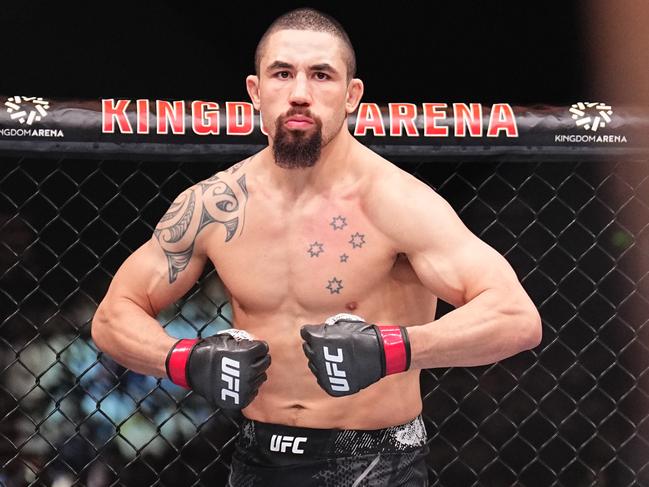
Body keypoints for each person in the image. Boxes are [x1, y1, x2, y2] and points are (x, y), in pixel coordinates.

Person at [91, 7, 542, 486]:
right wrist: (182, 360)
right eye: (282, 73)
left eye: (321, 75)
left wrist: (396, 348)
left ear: (352, 96)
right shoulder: (214, 206)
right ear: (256, 91)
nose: (300, 93)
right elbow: (113, 316)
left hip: (376, 459)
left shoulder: (396, 203)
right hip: (257, 455)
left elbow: (516, 318)